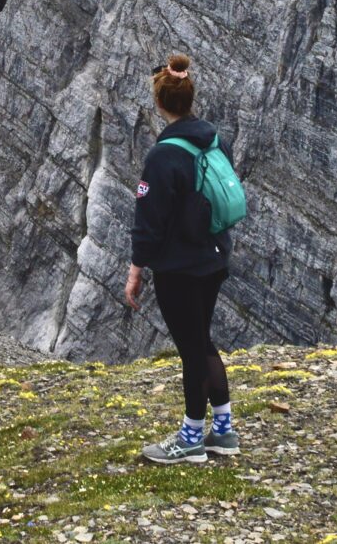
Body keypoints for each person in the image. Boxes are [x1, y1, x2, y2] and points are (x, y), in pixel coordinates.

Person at [124, 54, 238, 463]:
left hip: (180, 268)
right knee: (203, 340)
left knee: (191, 349)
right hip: (215, 258)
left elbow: (148, 221)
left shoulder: (162, 156)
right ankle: (223, 430)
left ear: (160, 103)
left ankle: (191, 437)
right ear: (190, 98)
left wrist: (136, 271)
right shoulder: (213, 139)